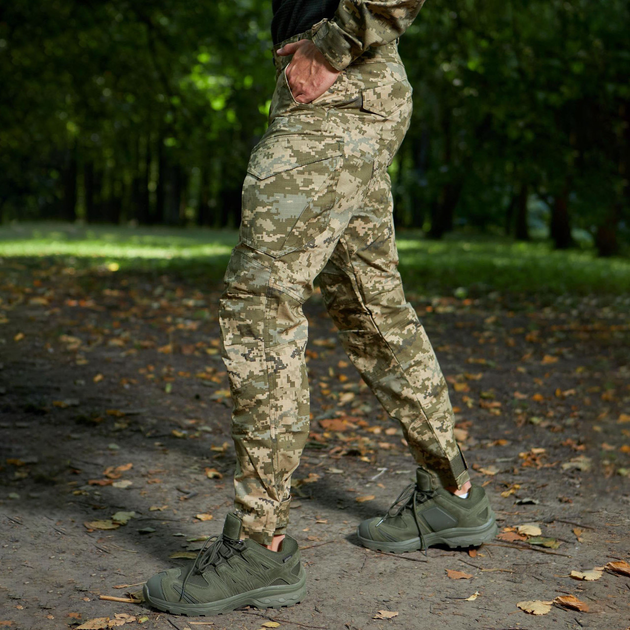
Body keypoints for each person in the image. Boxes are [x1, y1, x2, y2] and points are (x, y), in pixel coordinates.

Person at [144, 0, 497, 615]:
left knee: (260, 305)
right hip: (351, 92)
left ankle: (260, 547)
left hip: (339, 84)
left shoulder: (332, 53)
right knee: (371, 305)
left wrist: (330, 47)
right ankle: (451, 490)